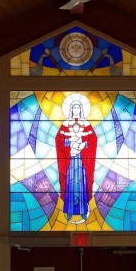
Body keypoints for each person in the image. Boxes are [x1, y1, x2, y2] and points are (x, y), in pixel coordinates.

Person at [56, 94, 97, 222]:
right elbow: (59, 139)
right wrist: (69, 143)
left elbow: (93, 139)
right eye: (74, 108)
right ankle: (69, 210)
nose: (76, 110)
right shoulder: (65, 124)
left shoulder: (87, 124)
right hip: (70, 161)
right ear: (70, 110)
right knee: (70, 183)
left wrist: (84, 144)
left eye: (78, 108)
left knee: (82, 183)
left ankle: (83, 210)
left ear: (81, 110)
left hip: (82, 161)